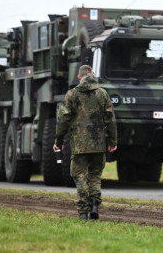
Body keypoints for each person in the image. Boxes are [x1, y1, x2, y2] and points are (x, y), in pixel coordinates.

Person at [54, 65, 117, 220]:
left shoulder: (72, 94)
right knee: (95, 175)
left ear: (79, 78)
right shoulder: (102, 94)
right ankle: (95, 203)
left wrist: (59, 140)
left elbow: (63, 119)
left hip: (79, 145)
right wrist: (112, 140)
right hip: (99, 143)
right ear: (93, 76)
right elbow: (110, 119)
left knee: (79, 175)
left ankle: (83, 212)